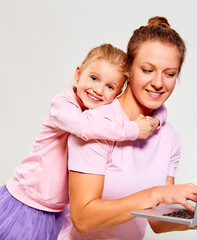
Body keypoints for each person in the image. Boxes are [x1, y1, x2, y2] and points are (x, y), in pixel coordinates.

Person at [57, 16, 197, 240]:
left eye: (169, 74)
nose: (159, 83)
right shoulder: (97, 125)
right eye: (148, 70)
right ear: (129, 71)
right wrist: (157, 193)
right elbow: (83, 218)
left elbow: (157, 221)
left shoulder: (169, 137)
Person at [0, 43, 166, 239]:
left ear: (118, 93)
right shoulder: (62, 105)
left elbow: (158, 108)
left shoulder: (97, 113)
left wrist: (156, 119)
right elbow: (84, 127)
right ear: (78, 74)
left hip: (55, 209)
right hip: (27, 201)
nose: (98, 89)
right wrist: (133, 129)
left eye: (110, 86)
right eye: (94, 78)